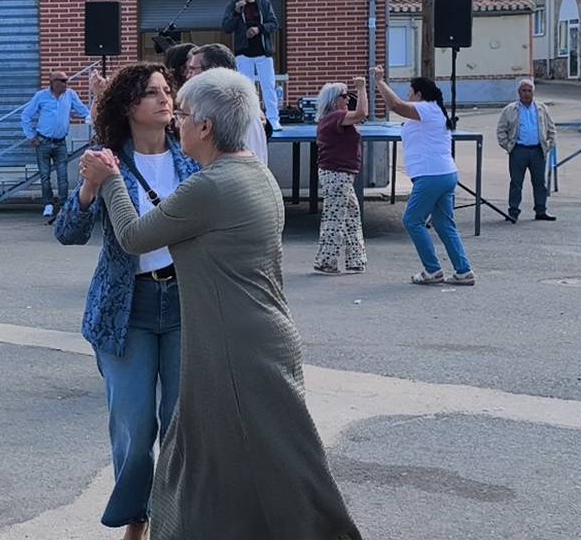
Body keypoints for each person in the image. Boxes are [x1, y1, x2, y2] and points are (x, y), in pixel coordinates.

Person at [81, 68, 362, 540]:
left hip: (236, 343)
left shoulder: (208, 186)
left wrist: (109, 181)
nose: (177, 121)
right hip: (258, 335)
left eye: (184, 113)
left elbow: (133, 236)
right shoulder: (254, 172)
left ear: (206, 127)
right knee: (233, 456)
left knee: (256, 459)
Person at [55, 63, 198, 540]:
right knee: (135, 432)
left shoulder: (192, 162)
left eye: (167, 91)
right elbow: (68, 234)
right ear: (128, 107)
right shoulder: (107, 160)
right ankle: (136, 518)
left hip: (184, 306)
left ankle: (172, 520)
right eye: (152, 93)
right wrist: (90, 187)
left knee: (179, 426)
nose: (165, 99)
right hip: (126, 310)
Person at [373, 65, 475, 286]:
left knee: (412, 220)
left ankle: (433, 270)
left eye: (410, 92)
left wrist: (379, 81)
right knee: (444, 225)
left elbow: (395, 105)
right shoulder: (433, 111)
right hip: (444, 173)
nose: (408, 96)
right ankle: (463, 271)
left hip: (432, 175)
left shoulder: (427, 108)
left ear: (419, 94)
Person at [313, 77, 369, 274]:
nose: (348, 100)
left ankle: (356, 259)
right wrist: (361, 89)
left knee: (351, 215)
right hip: (337, 174)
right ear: (335, 100)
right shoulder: (336, 117)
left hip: (340, 174)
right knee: (334, 217)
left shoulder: (333, 118)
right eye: (345, 96)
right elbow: (362, 113)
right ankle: (327, 261)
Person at [22, 71, 91, 217]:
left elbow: (83, 111)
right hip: (43, 141)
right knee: (45, 175)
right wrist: (30, 136)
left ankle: (64, 205)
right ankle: (48, 204)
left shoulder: (70, 95)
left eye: (66, 81)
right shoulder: (41, 96)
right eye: (62, 81)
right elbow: (26, 115)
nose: (65, 84)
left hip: (60, 143)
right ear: (53, 82)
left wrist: (93, 119)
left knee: (62, 176)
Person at [185, 43, 269, 163]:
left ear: (213, 70)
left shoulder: (237, 113)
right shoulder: (220, 108)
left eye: (192, 70)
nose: (188, 76)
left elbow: (243, 166)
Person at [222, 0, 283, 131]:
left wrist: (259, 29)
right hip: (243, 54)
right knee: (245, 89)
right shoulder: (233, 5)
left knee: (268, 86)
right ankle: (249, 120)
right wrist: (236, 12)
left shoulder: (263, 3)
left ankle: (273, 120)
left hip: (263, 52)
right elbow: (226, 27)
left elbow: (274, 24)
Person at [496, 78, 557, 222]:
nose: (526, 94)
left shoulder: (542, 109)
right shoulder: (510, 110)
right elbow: (501, 130)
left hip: (537, 150)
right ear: (519, 92)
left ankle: (541, 210)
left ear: (533, 92)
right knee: (516, 183)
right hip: (519, 150)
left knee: (539, 183)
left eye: (529, 91)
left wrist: (549, 144)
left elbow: (551, 129)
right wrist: (508, 145)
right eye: (524, 90)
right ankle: (513, 211)